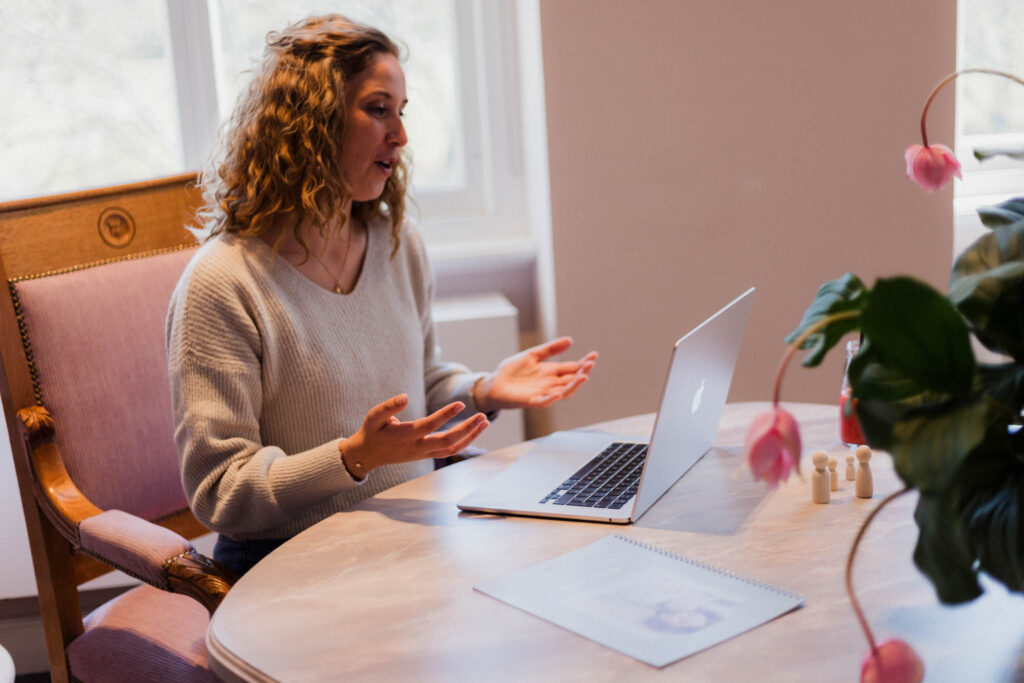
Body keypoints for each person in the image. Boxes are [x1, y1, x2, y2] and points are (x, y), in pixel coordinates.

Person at [166, 14, 597, 577]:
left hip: (408, 534)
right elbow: (220, 491)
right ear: (311, 122)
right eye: (377, 109)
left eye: (401, 112)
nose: (400, 135)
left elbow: (417, 390)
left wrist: (484, 389)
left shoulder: (396, 243)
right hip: (289, 562)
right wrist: (353, 458)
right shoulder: (222, 283)